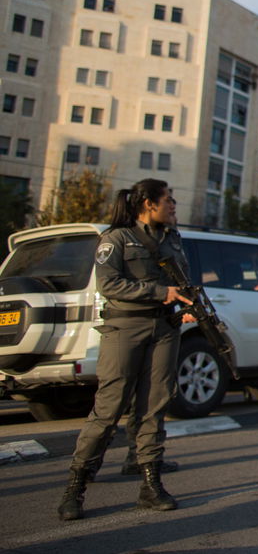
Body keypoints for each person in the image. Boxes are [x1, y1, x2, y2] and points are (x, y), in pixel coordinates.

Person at [58, 179, 192, 521]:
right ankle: (76, 487)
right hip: (125, 328)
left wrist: (187, 303)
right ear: (149, 203)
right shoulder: (116, 239)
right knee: (109, 408)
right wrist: (159, 293)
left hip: (165, 329)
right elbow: (109, 284)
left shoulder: (172, 238)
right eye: (168, 199)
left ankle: (151, 483)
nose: (173, 205)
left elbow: (182, 280)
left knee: (154, 406)